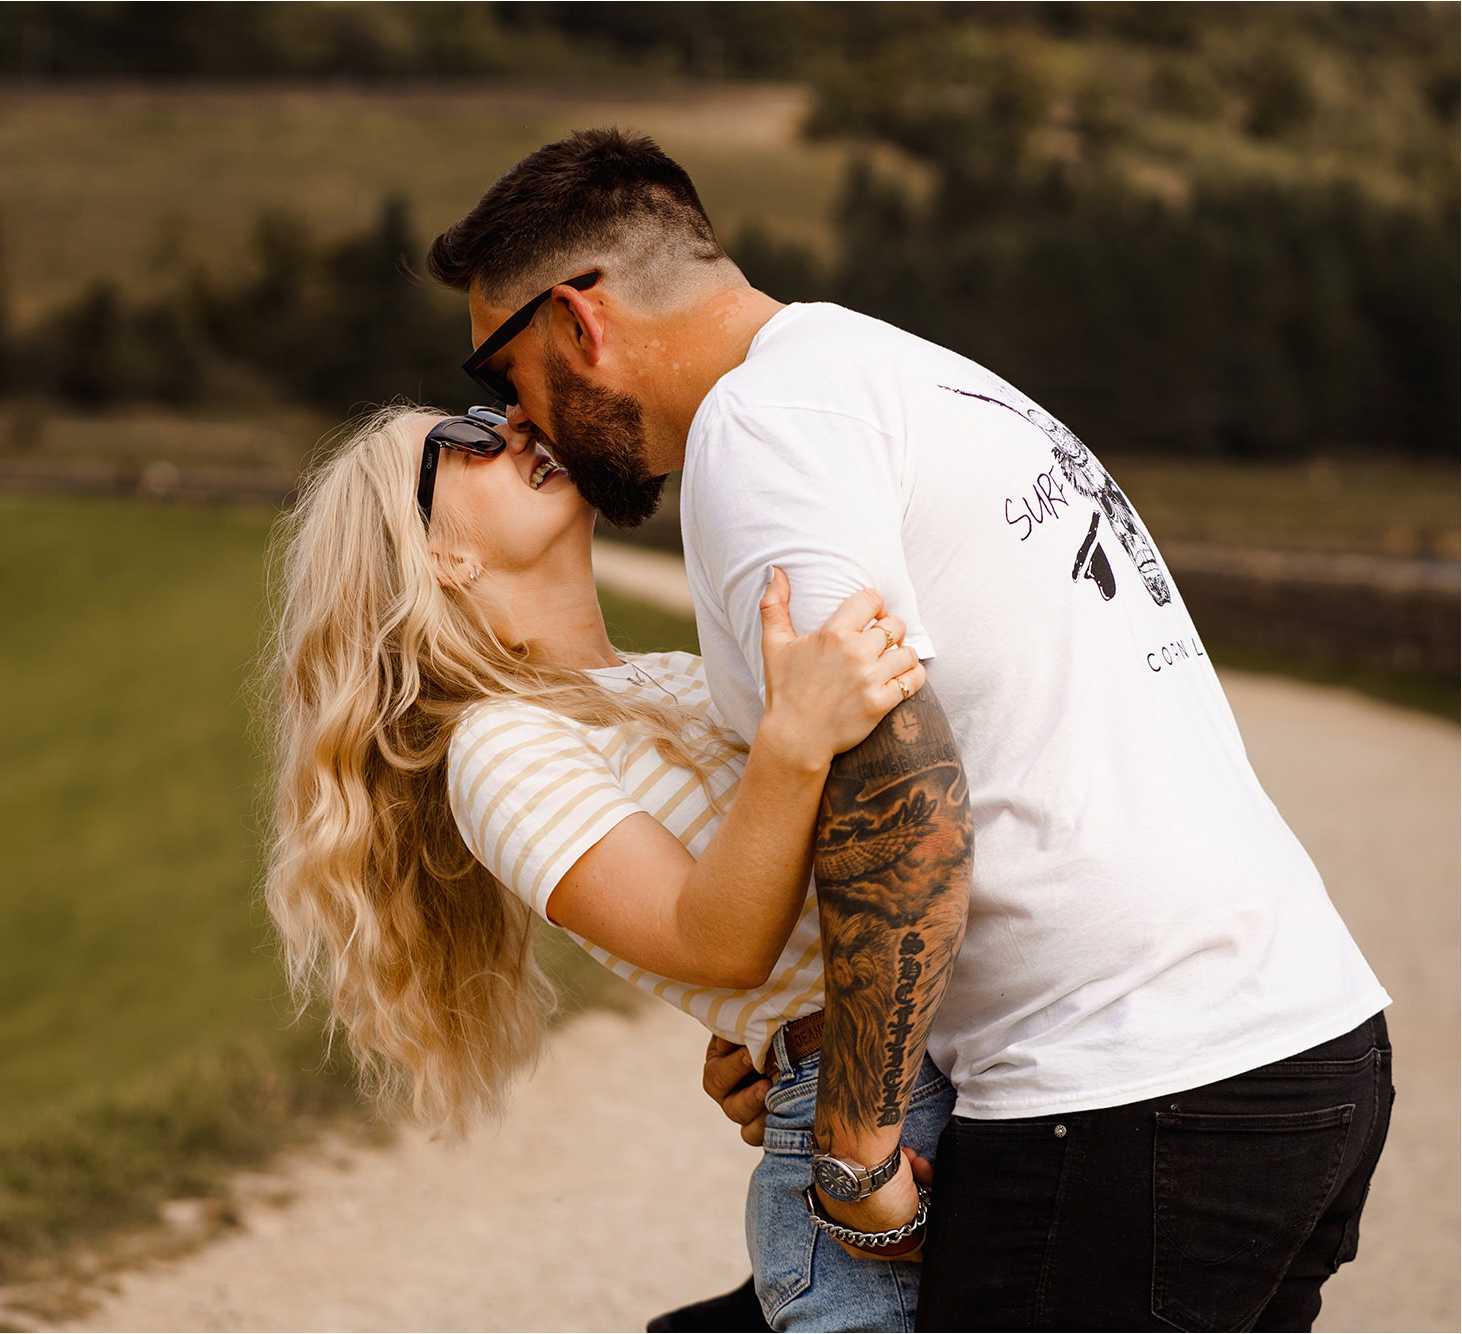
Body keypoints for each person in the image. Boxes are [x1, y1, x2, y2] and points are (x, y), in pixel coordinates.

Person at [427, 129, 1393, 1332]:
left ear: (577, 323)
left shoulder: (758, 435)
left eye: (498, 367)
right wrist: (801, 1039)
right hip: (1295, 1040)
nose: (514, 414)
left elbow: (904, 788)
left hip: (1127, 1085)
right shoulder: (889, 369)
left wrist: (853, 1135)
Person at [262, 402, 949, 1332]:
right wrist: (794, 739)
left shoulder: (669, 676)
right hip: (867, 1128)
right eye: (459, 441)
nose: (508, 423)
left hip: (923, 1071)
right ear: (438, 557)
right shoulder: (498, 749)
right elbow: (717, 946)